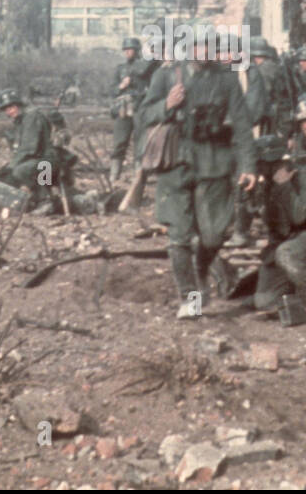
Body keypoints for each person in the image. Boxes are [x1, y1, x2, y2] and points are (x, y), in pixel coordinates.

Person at [139, 43, 257, 319]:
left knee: (214, 234)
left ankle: (201, 269)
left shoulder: (226, 78)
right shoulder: (166, 76)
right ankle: (190, 298)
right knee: (179, 236)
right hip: (175, 165)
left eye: (208, 45)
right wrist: (166, 104)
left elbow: (241, 123)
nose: (203, 51)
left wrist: (248, 165)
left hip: (214, 163)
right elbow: (143, 115)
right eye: (197, 45)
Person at [253, 95, 306, 310]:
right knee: (264, 301)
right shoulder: (294, 149)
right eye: (302, 121)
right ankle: (292, 286)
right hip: (295, 226)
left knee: (288, 253)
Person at [0, 88, 59, 214]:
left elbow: (29, 148)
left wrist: (11, 166)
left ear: (18, 105)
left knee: (20, 170)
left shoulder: (31, 117)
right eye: (6, 109)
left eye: (11, 107)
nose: (9, 111)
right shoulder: (21, 120)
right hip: (37, 159)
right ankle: (24, 202)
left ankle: (45, 201)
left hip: (47, 161)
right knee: (4, 175)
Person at [110, 37, 158, 184]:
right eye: (125, 50)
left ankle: (138, 176)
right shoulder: (120, 69)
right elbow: (111, 90)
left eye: (130, 49)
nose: (127, 52)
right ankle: (114, 175)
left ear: (137, 51)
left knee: (140, 142)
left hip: (140, 107)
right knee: (119, 142)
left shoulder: (146, 67)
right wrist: (121, 86)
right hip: (123, 108)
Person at [244, 36, 291, 136]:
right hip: (279, 115)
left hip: (272, 117)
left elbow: (262, 96)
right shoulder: (273, 66)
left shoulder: (263, 69)